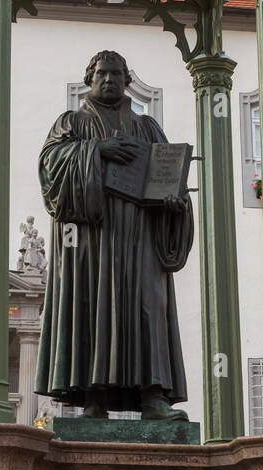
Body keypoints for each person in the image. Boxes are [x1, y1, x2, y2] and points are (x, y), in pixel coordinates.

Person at [34, 50, 193, 420]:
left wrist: (175, 202)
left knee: (148, 307)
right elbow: (50, 172)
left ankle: (153, 396)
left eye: (116, 74)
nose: (109, 80)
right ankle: (95, 397)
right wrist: (98, 150)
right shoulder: (70, 123)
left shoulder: (147, 127)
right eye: (102, 74)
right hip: (91, 236)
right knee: (91, 306)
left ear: (127, 81)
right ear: (89, 79)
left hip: (141, 237)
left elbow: (168, 179)